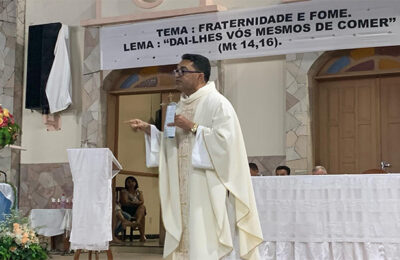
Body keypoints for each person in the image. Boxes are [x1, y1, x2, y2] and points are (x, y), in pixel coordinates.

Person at [127, 54, 262, 260]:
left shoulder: (218, 103)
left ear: (200, 76)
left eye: (183, 71)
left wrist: (193, 127)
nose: (177, 75)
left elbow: (227, 143)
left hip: (204, 188)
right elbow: (174, 144)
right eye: (176, 71)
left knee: (203, 237)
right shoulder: (178, 106)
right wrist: (150, 130)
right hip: (182, 185)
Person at [119, 176, 146, 242]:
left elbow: (142, 201)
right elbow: (125, 202)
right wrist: (136, 202)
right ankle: (142, 235)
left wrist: (132, 202)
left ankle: (137, 223)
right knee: (142, 214)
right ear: (126, 184)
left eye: (133, 181)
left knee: (142, 207)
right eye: (129, 182)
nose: (131, 183)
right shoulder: (124, 191)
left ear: (136, 183)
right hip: (127, 209)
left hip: (136, 210)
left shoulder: (139, 192)